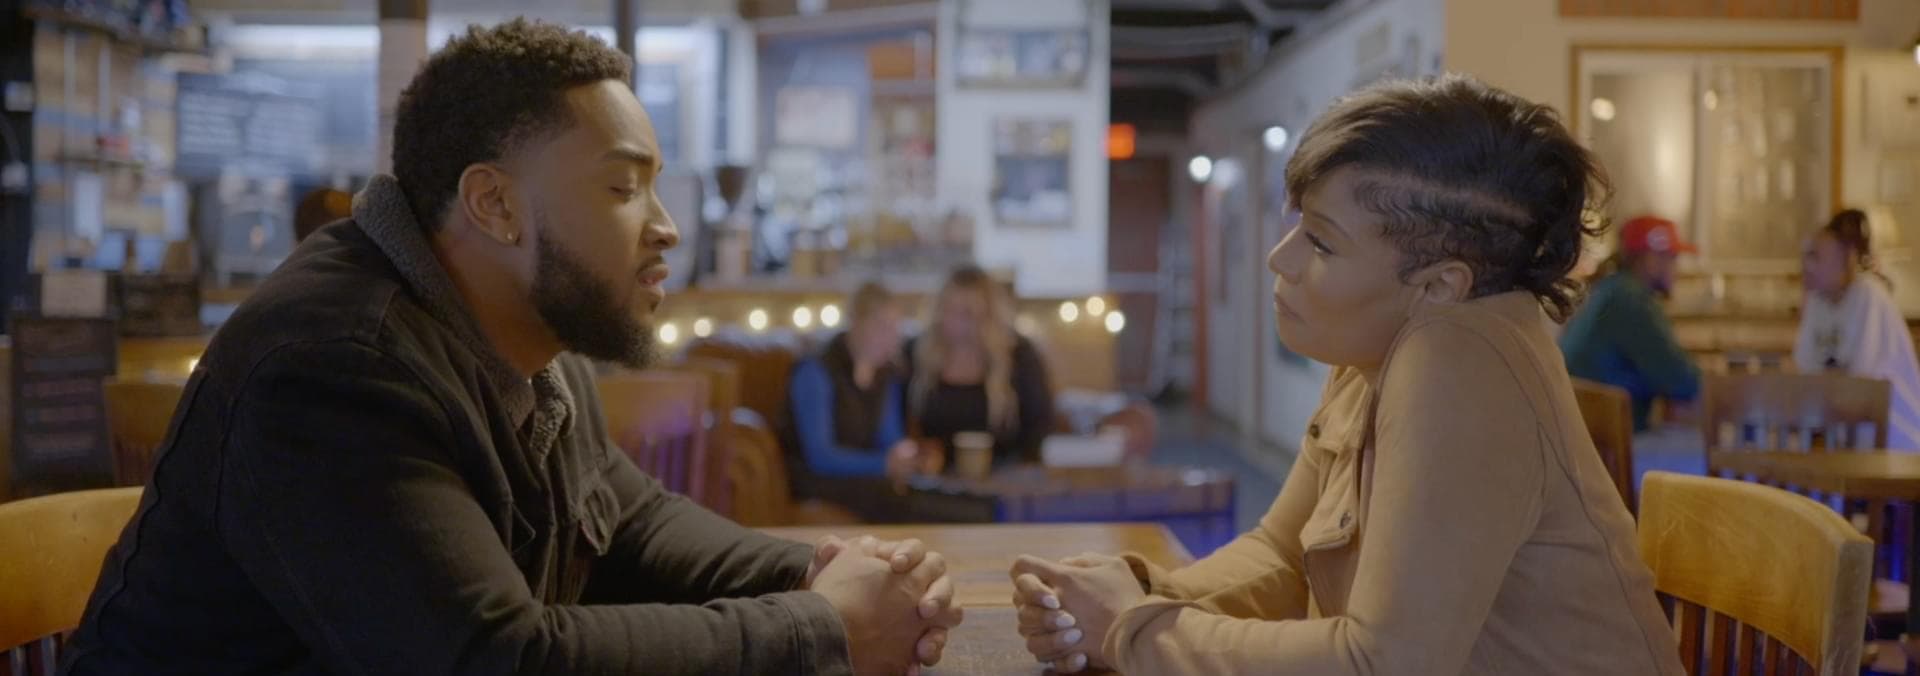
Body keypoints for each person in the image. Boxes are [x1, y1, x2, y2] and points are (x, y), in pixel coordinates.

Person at [60, 20, 960, 676]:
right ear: (493, 205)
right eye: (623, 188)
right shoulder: (332, 365)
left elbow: (633, 525)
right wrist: (818, 630)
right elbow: (494, 659)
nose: (666, 227)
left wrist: (824, 575)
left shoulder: (530, 341)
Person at [1005, 75, 1683, 675]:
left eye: (1322, 242)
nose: (1280, 258)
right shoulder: (1381, 350)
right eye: (1298, 224)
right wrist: (1134, 598)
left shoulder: (1460, 359)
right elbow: (1281, 555)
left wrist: (1132, 631)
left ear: (1440, 285)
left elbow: (1382, 664)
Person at [786, 282, 928, 503]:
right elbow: (820, 456)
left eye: (894, 329)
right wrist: (882, 464)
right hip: (821, 481)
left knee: (929, 494)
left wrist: (908, 458)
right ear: (855, 322)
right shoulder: (816, 370)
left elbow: (890, 439)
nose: (890, 339)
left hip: (870, 480)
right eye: (881, 327)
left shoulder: (886, 374)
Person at [1559, 215, 1703, 431]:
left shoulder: (1611, 289)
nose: (1677, 268)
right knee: (1700, 445)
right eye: (1672, 258)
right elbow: (1682, 381)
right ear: (1651, 260)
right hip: (1608, 438)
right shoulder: (1630, 301)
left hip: (1586, 432)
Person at [905, 265, 1055, 468]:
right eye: (950, 310)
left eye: (968, 313)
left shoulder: (1018, 355)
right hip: (930, 476)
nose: (957, 323)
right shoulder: (916, 352)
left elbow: (1039, 425)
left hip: (1002, 476)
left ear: (988, 315)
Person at [1796, 208, 1920, 451]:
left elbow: (1861, 382)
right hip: (1849, 439)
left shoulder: (1869, 296)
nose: (1807, 266)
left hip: (1895, 442)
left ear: (1849, 258)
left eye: (1817, 256)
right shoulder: (1818, 301)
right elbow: (1804, 369)